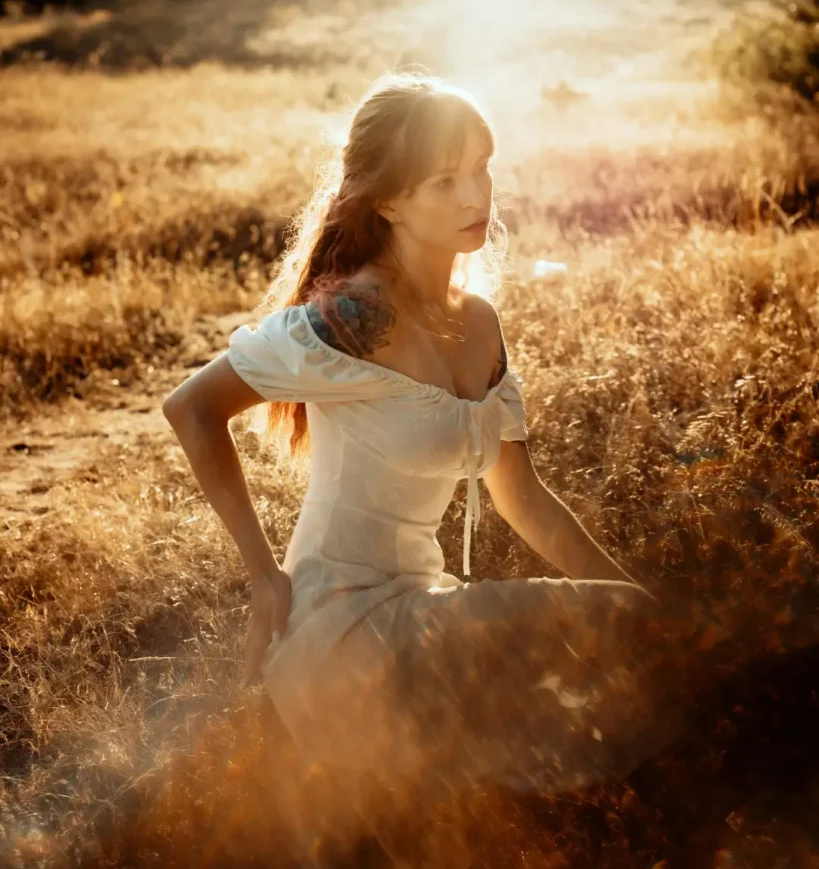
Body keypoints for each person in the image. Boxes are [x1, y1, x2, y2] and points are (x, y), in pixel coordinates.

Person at [162, 72, 688, 815]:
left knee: (633, 643)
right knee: (597, 663)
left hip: (426, 610)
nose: (476, 195)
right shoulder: (352, 315)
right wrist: (262, 578)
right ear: (387, 201)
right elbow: (191, 409)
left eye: (481, 166)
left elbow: (524, 500)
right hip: (339, 629)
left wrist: (630, 597)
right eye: (445, 180)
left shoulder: (477, 323)